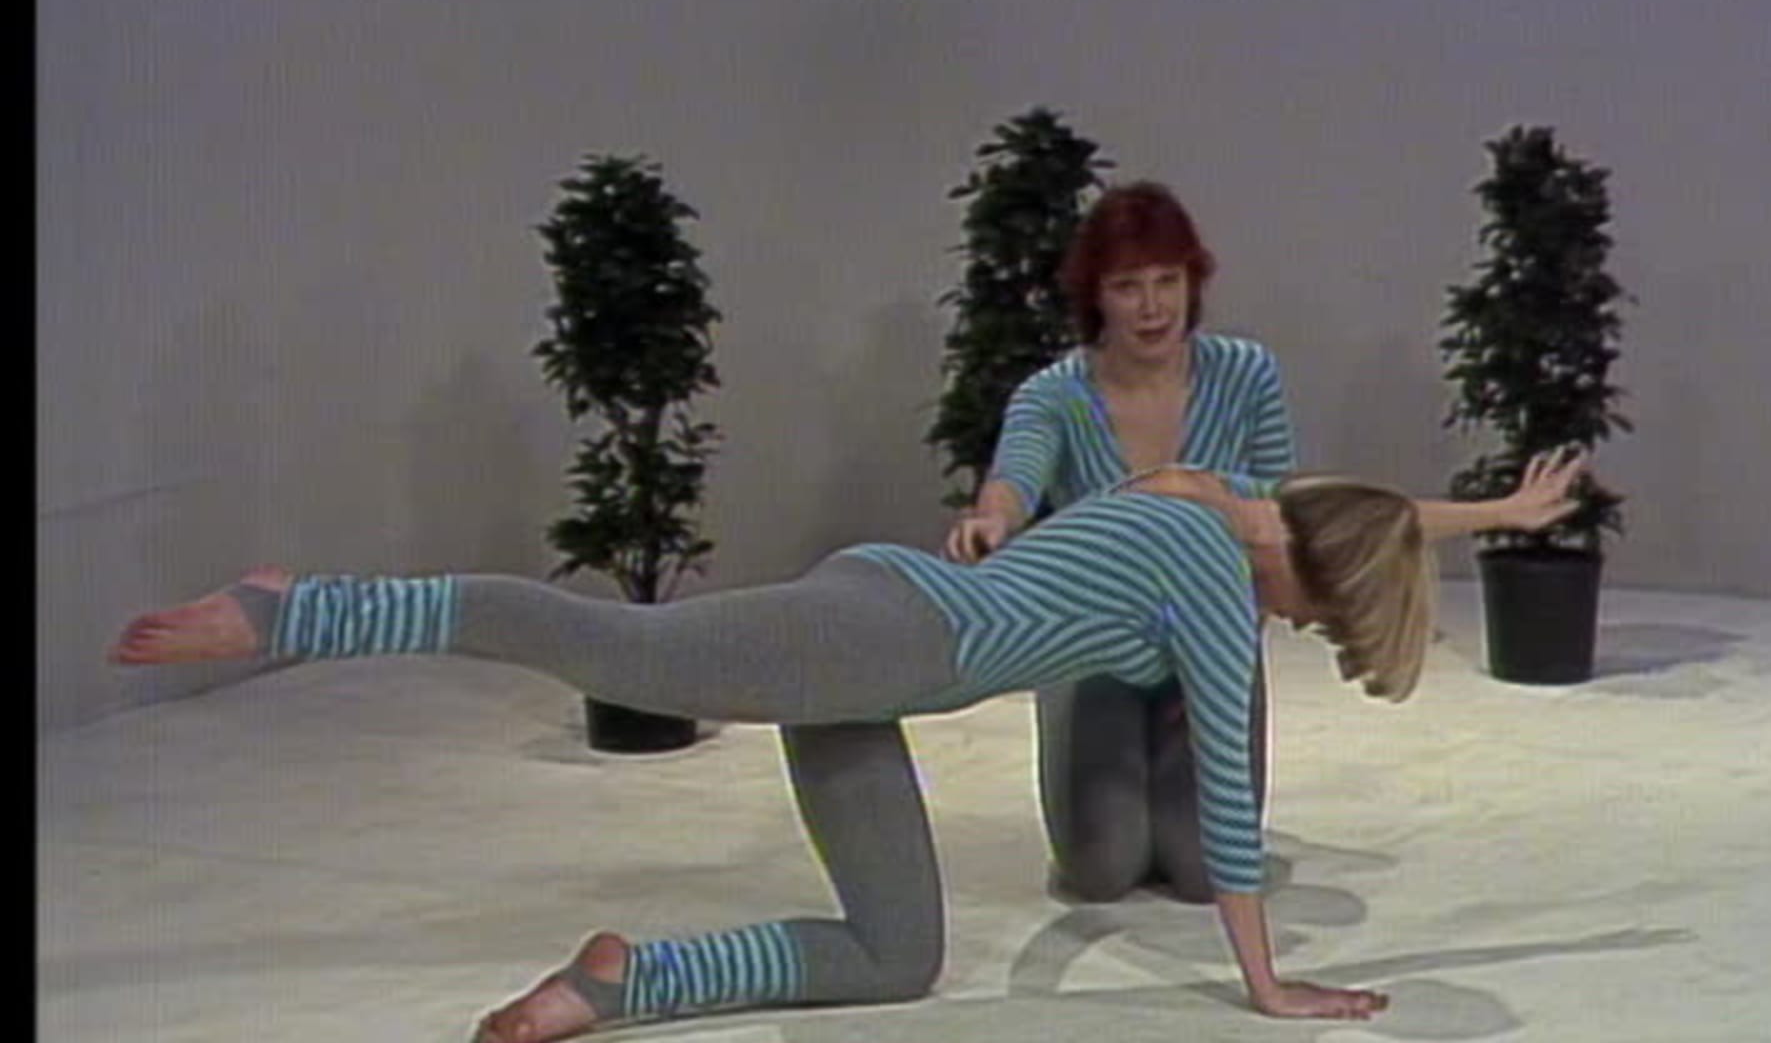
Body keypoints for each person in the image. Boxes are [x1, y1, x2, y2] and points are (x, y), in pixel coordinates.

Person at [111, 451, 1584, 1042]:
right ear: (1303, 572)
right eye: (1313, 616)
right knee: (623, 650)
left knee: (896, 955)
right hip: (883, 639)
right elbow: (1232, 795)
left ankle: (620, 985)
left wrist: (1495, 518)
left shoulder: (1210, 495)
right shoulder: (1217, 572)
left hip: (881, 647)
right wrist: (1267, 983)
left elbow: (1358, 516)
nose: (1291, 627)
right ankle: (302, 608)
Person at [946, 180, 1567, 904]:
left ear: (1193, 282)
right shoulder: (1053, 395)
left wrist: (1502, 511)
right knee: (1102, 871)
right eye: (1127, 286)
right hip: (1094, 649)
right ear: (1096, 296)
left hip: (1211, 650)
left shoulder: (1245, 374)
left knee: (1208, 873)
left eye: (1167, 281)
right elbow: (1014, 482)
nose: (1152, 307)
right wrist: (992, 521)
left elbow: (1305, 517)